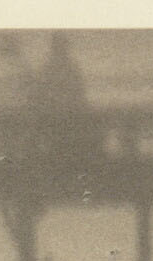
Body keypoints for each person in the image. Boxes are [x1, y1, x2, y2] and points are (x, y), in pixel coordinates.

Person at [28, 32, 99, 163]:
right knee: (68, 143)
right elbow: (80, 95)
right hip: (71, 117)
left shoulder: (46, 68)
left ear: (52, 48)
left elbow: (38, 95)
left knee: (56, 143)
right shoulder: (72, 67)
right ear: (66, 48)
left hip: (51, 119)